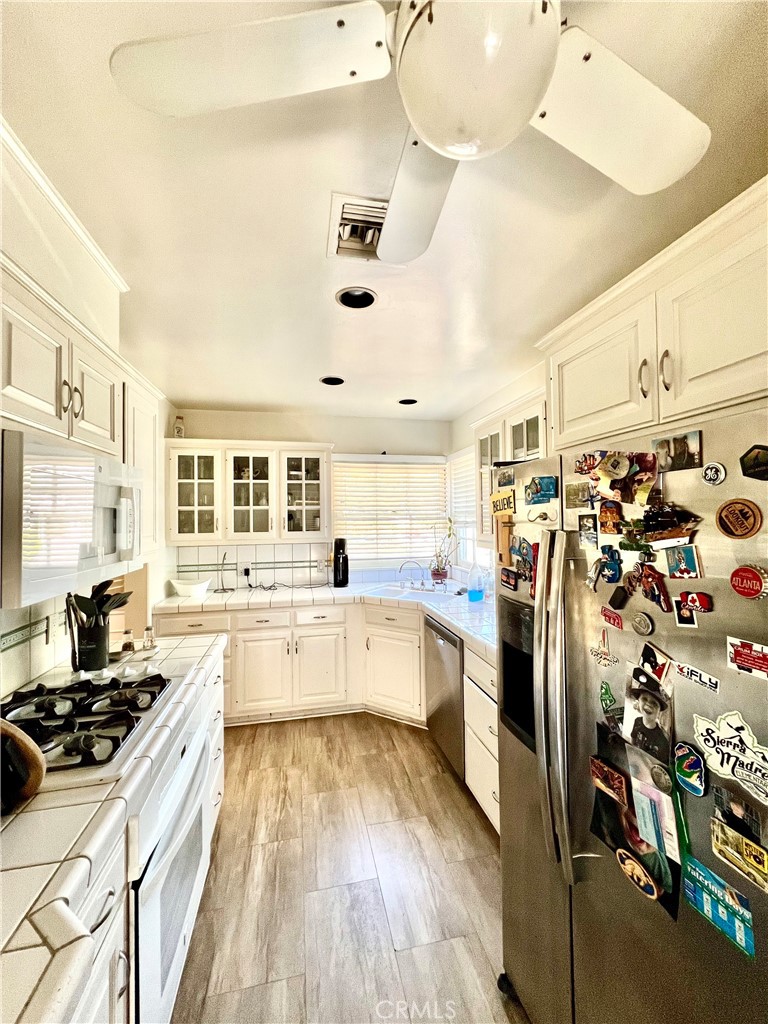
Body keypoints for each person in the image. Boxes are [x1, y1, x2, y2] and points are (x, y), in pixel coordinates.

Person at [628, 672, 671, 763]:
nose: (648, 704)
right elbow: (633, 739)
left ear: (659, 711)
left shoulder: (662, 742)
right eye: (644, 699)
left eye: (654, 703)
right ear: (638, 701)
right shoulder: (637, 721)